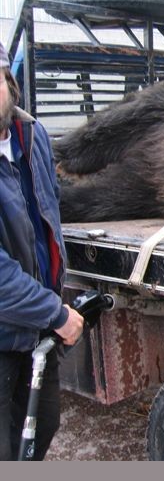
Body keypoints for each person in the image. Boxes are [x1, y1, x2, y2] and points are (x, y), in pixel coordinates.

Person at [0, 41, 84, 460]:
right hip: (9, 328)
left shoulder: (31, 135)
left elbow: (49, 206)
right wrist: (57, 314)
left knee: (40, 427)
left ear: (8, 83)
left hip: (34, 325)